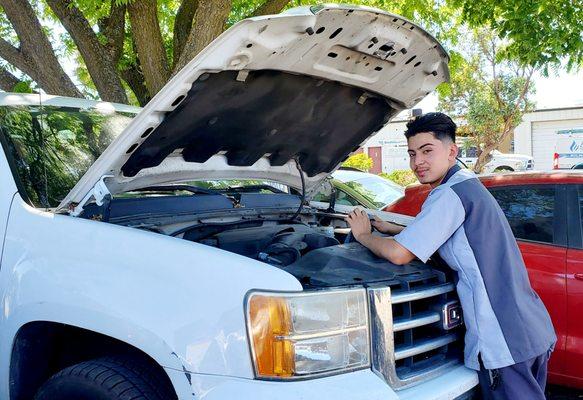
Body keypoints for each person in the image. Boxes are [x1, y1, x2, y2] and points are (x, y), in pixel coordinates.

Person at [346, 112, 556, 400]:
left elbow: (398, 254)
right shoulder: (468, 185)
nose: (417, 162)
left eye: (427, 151)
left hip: (503, 341)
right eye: (411, 153)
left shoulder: (448, 195)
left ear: (452, 151)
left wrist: (363, 235)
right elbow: (450, 232)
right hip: (531, 330)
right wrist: (393, 225)